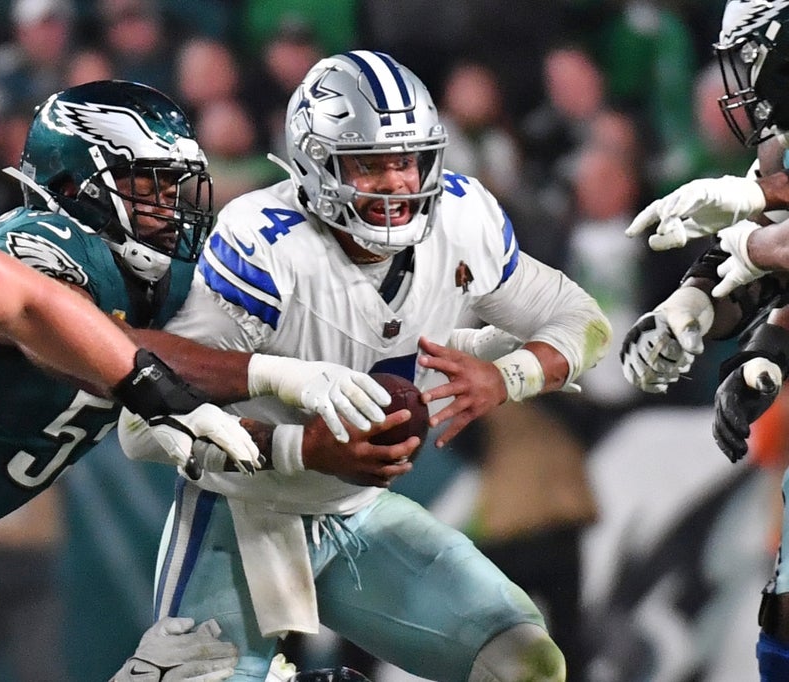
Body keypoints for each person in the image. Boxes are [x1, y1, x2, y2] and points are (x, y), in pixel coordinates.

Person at [0, 77, 398, 682]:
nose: (167, 206)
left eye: (175, 187)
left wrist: (306, 440)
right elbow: (84, 346)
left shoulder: (169, 284)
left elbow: (178, 417)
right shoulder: (37, 241)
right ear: (74, 182)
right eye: (145, 184)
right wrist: (273, 372)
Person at [118, 50, 612, 681]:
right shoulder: (267, 243)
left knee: (526, 662)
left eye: (406, 160)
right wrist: (300, 447)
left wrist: (506, 376)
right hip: (241, 520)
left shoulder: (462, 219)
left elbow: (584, 321)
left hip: (360, 513)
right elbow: (141, 429)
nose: (397, 183)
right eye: (369, 164)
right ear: (315, 162)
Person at [619, 1, 789, 678]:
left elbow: (765, 232)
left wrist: (748, 235)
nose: (740, 77)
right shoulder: (779, 151)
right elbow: (768, 223)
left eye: (751, 54)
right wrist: (693, 306)